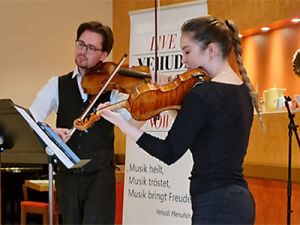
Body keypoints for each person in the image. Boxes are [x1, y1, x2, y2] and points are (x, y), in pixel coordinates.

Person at [98, 15, 258, 224]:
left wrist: (122, 124)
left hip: (214, 205)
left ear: (211, 50)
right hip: (240, 202)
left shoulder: (203, 94)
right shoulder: (243, 91)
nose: (184, 59)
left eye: (187, 51)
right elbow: (205, 132)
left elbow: (168, 152)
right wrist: (171, 101)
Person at [30, 21, 131, 225]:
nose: (83, 52)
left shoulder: (113, 88)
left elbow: (132, 124)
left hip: (101, 176)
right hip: (68, 177)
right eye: (80, 44)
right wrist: (51, 132)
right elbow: (33, 117)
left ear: (104, 55)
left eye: (91, 48)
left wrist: (143, 101)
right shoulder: (57, 84)